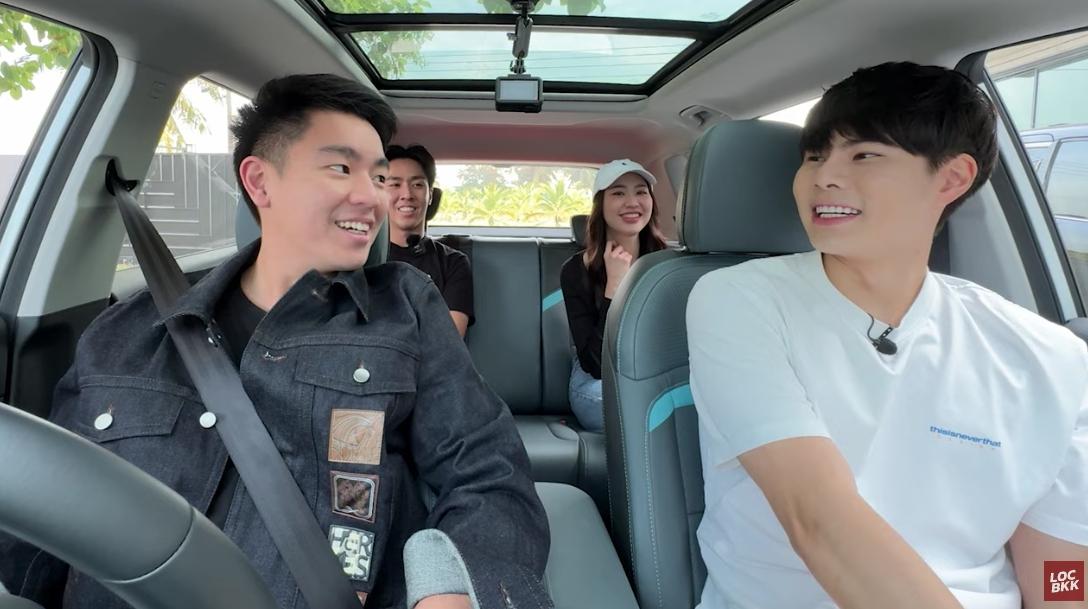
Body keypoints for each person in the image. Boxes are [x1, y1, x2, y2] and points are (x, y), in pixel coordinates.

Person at [0, 73, 550, 609]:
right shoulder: (124, 333)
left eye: (378, 176)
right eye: (341, 168)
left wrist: (455, 584)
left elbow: (488, 471)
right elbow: (42, 528)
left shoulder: (405, 308)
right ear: (260, 182)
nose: (372, 197)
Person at [687, 62, 1088, 609]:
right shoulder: (740, 300)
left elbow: (1063, 570)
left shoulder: (1054, 358)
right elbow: (819, 520)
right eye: (814, 155)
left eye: (864, 155)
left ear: (951, 178)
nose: (823, 176)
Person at [560, 159, 666, 432]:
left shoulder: (667, 263)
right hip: (598, 382)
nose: (632, 202)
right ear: (601, 205)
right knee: (616, 401)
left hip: (657, 374)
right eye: (618, 193)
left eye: (641, 192)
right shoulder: (575, 271)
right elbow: (595, 364)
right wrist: (615, 286)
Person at [385, 144, 473, 337]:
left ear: (431, 195)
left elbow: (448, 341)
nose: (407, 195)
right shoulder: (360, 259)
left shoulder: (453, 262)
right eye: (395, 185)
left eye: (417, 185)